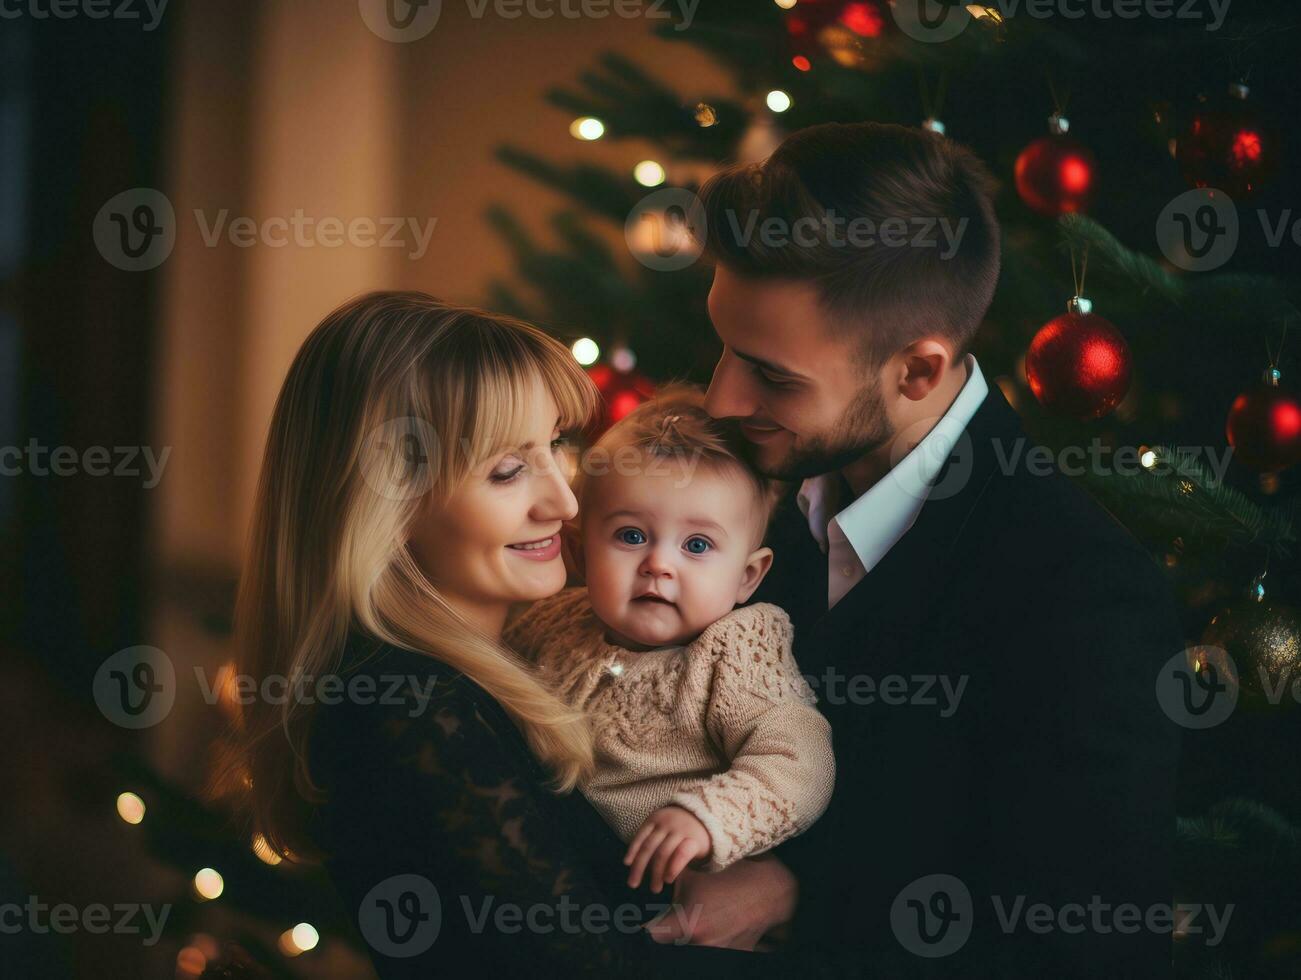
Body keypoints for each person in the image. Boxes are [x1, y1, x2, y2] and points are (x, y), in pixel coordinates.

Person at [673, 121, 1184, 977]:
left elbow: (1077, 947)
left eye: (772, 375)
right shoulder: (718, 497)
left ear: (916, 370)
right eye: (724, 344)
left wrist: (804, 899)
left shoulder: (1082, 593)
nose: (721, 398)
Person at [211, 292, 796, 978]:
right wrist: (787, 901)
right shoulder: (408, 704)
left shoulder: (523, 656)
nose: (565, 500)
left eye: (556, 445)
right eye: (507, 470)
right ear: (386, 502)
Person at [505, 387, 835, 895]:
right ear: (578, 548)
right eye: (631, 536)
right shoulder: (553, 621)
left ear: (747, 577)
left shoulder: (737, 648)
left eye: (697, 545)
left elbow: (800, 761)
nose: (660, 564)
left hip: (669, 894)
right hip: (552, 879)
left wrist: (709, 819)